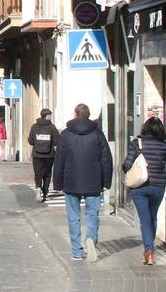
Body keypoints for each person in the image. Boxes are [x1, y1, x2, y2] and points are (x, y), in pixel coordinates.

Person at [53, 103, 113, 262]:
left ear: (75, 114)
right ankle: (91, 238)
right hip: (93, 181)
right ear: (88, 115)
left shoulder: (66, 134)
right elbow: (106, 159)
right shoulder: (97, 133)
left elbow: (59, 160)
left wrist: (57, 183)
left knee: (73, 217)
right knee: (92, 213)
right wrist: (107, 182)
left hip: (71, 181)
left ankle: (77, 252)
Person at [122, 117, 166, 266]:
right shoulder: (165, 146)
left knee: (145, 219)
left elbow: (127, 164)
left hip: (140, 187)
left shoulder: (137, 143)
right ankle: (150, 250)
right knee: (153, 216)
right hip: (158, 186)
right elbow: (164, 162)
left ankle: (149, 252)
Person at [28, 108, 59, 202]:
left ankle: (38, 189)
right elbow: (56, 142)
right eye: (50, 115)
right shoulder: (52, 127)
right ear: (47, 116)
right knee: (47, 174)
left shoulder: (34, 126)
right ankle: (45, 193)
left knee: (38, 173)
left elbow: (31, 141)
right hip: (49, 155)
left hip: (37, 155)